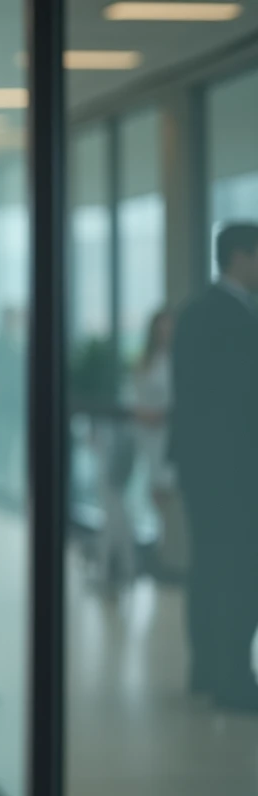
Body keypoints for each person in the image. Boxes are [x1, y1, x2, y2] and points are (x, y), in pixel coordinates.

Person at [170, 222, 258, 713]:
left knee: (210, 567)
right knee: (237, 569)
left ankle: (207, 668)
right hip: (232, 470)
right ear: (241, 257)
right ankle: (232, 677)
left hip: (205, 467)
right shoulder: (227, 315)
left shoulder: (196, 311)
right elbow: (235, 400)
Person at [128, 308, 185, 581]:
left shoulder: (180, 358)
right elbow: (136, 394)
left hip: (168, 434)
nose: (166, 332)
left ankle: (165, 552)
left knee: (166, 492)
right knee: (154, 491)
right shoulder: (146, 359)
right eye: (162, 326)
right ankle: (161, 552)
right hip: (148, 435)